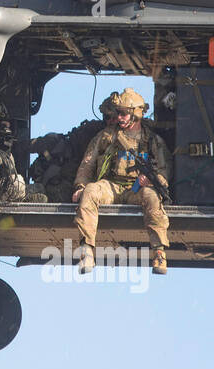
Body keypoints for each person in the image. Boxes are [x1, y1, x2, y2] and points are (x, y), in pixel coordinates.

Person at [70, 87, 171, 274]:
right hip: (112, 185)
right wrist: (81, 186)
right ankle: (87, 251)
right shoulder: (107, 136)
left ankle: (159, 252)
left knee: (152, 198)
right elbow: (87, 164)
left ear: (136, 114)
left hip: (137, 190)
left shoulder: (152, 141)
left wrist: (150, 179)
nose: (120, 117)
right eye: (118, 113)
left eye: (124, 113)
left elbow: (164, 173)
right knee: (91, 192)